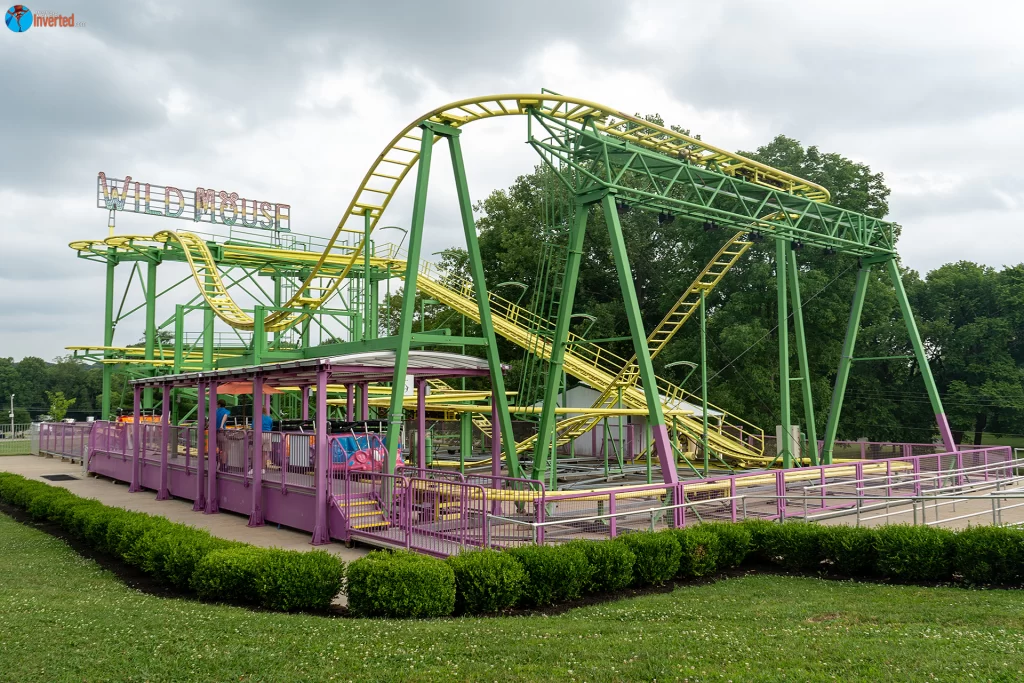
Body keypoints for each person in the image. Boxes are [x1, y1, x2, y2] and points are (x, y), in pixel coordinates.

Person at [214, 399, 230, 469]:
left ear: (219, 405)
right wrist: (221, 425)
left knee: (218, 449)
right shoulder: (226, 411)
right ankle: (223, 466)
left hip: (214, 433)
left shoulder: (215, 411)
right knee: (224, 450)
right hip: (221, 432)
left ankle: (217, 463)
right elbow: (225, 416)